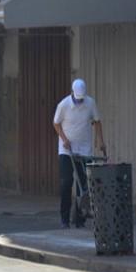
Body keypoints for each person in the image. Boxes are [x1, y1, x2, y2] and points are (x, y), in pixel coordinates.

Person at [53, 79, 106, 228]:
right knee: (66, 183)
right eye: (77, 99)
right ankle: (64, 219)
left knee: (83, 185)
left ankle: (79, 219)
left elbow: (97, 121)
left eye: (81, 99)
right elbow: (56, 123)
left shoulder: (90, 103)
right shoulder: (63, 105)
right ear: (72, 93)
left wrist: (100, 140)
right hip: (66, 150)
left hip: (84, 150)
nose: (79, 101)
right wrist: (64, 139)